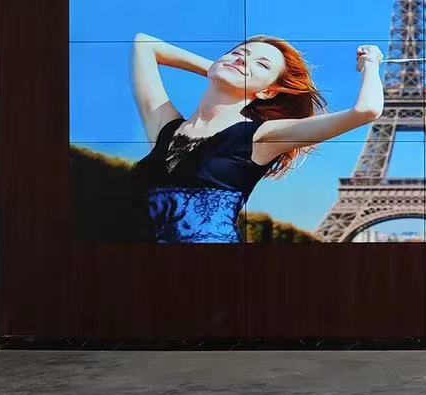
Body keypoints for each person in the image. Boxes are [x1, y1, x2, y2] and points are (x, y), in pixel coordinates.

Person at [126, 34, 383, 243]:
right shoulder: (165, 128)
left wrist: (371, 63)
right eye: (239, 53)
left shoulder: (262, 136)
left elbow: (366, 110)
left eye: (262, 64)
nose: (241, 59)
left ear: (268, 92)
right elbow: (144, 44)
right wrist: (220, 69)